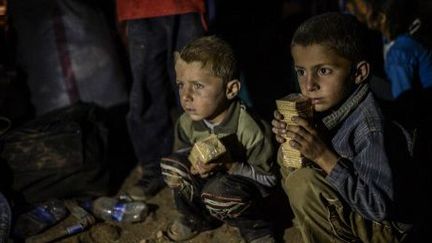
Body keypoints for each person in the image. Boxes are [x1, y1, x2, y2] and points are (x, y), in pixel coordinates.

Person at [272, 12, 416, 242]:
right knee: (287, 155)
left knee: (303, 184)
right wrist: (292, 133)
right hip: (355, 206)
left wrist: (322, 155)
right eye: (301, 72)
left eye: (324, 71)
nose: (309, 85)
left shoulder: (369, 128)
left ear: (359, 73)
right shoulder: (332, 102)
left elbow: (379, 207)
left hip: (384, 228)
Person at [160, 36, 277, 242]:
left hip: (247, 192)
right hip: (210, 190)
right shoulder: (186, 122)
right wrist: (192, 165)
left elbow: (269, 181)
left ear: (231, 89)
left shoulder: (250, 129)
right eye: (180, 85)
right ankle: (198, 218)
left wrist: (230, 165)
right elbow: (180, 156)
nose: (186, 95)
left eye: (197, 86)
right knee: (173, 166)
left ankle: (257, 231)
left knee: (219, 190)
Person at [115, 0, 207, 200]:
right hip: (139, 8)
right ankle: (153, 167)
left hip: (186, 5)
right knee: (146, 89)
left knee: (197, 85)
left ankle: (204, 163)